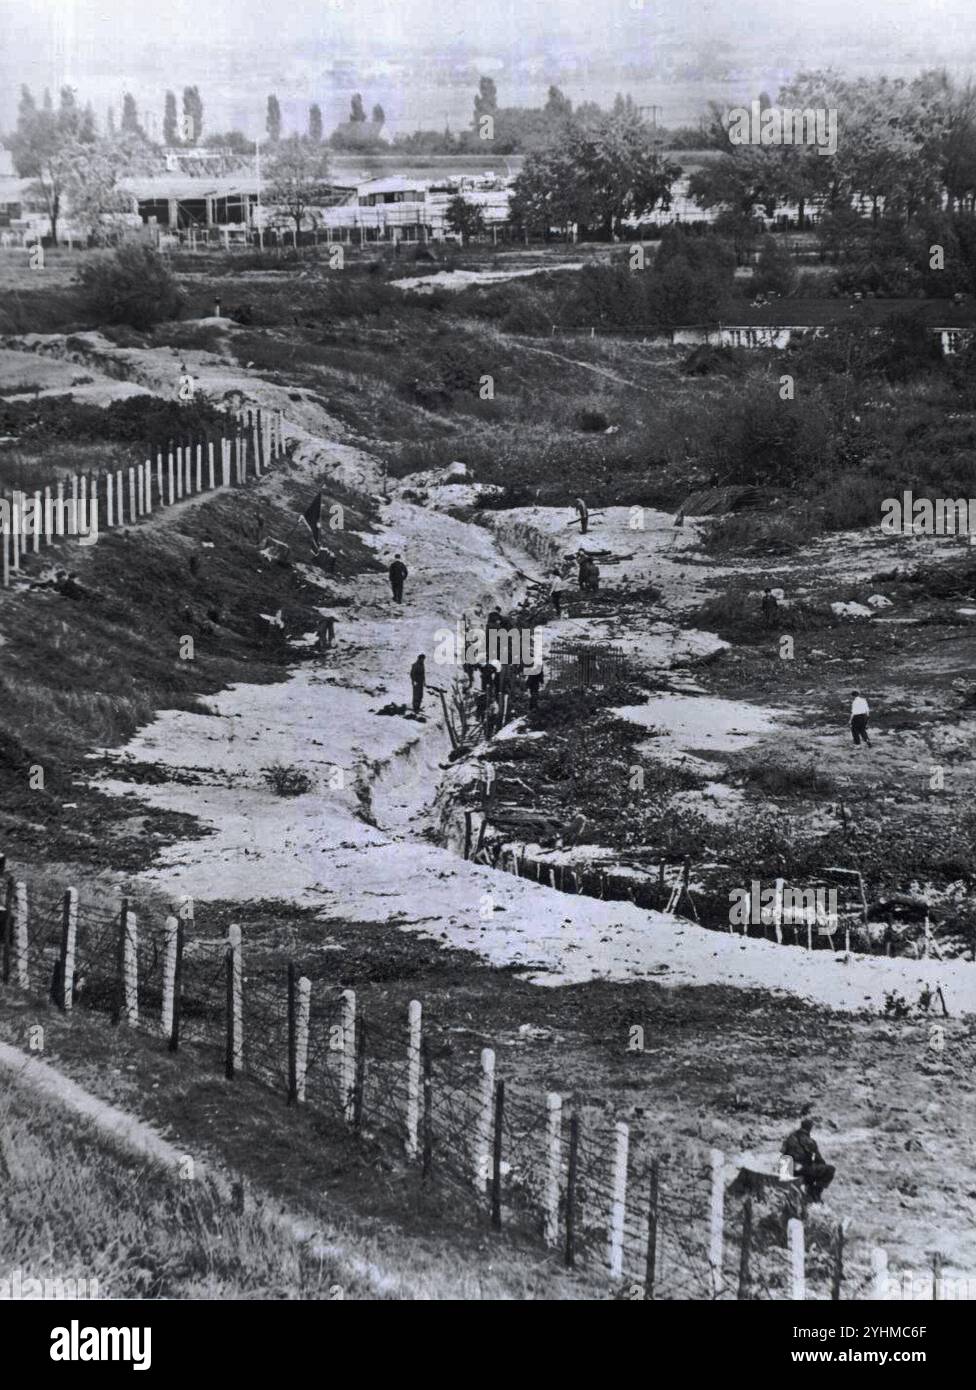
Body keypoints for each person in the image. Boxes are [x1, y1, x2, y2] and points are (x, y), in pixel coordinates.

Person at [781, 1118, 835, 1203]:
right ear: (810, 1128)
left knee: (810, 1168)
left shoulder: (789, 1137)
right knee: (830, 1169)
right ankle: (814, 1193)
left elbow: (783, 1153)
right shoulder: (809, 1141)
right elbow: (819, 1159)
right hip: (800, 1169)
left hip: (786, 1168)